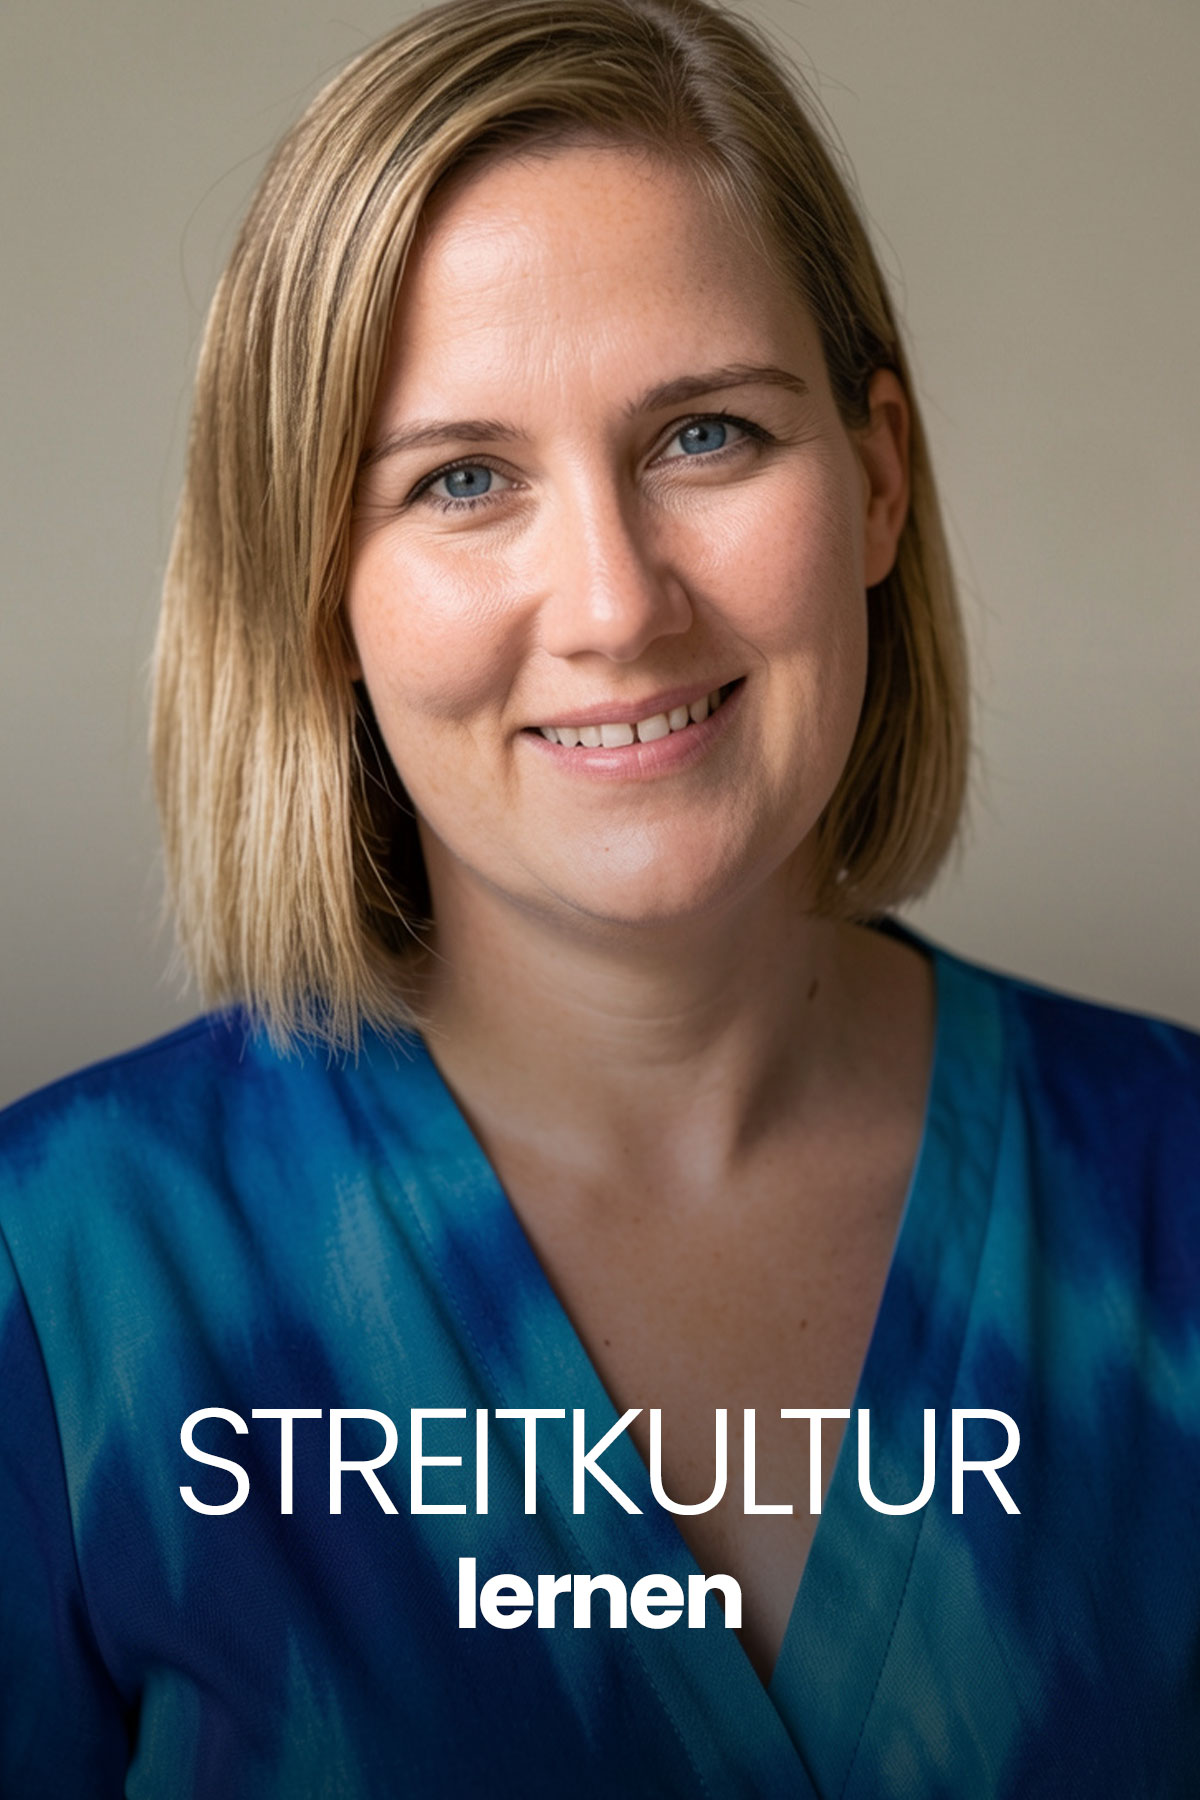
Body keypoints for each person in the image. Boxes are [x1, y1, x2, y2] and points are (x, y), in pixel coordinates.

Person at [1, 0, 1197, 1793]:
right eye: (463, 480)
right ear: (317, 589)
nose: (619, 604)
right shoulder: (61, 1282)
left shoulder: (1177, 1192)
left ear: (876, 478)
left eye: (705, 435)